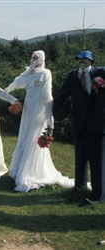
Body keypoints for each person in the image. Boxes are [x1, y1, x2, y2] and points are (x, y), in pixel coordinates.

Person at [5, 50, 74, 192]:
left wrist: (49, 118)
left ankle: (30, 172)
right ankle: (20, 170)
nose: (33, 60)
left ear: (42, 59)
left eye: (36, 58)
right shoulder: (29, 73)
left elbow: (47, 95)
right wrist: (6, 91)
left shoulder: (45, 73)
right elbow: (17, 82)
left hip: (39, 110)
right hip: (28, 108)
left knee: (33, 137)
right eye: (32, 57)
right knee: (24, 135)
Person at [53, 50, 105, 203]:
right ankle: (79, 191)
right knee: (80, 160)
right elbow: (61, 96)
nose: (82, 62)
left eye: (85, 59)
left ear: (91, 61)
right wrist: (48, 114)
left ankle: (98, 195)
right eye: (79, 59)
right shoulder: (73, 76)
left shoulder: (101, 73)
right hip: (79, 123)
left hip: (98, 124)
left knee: (98, 161)